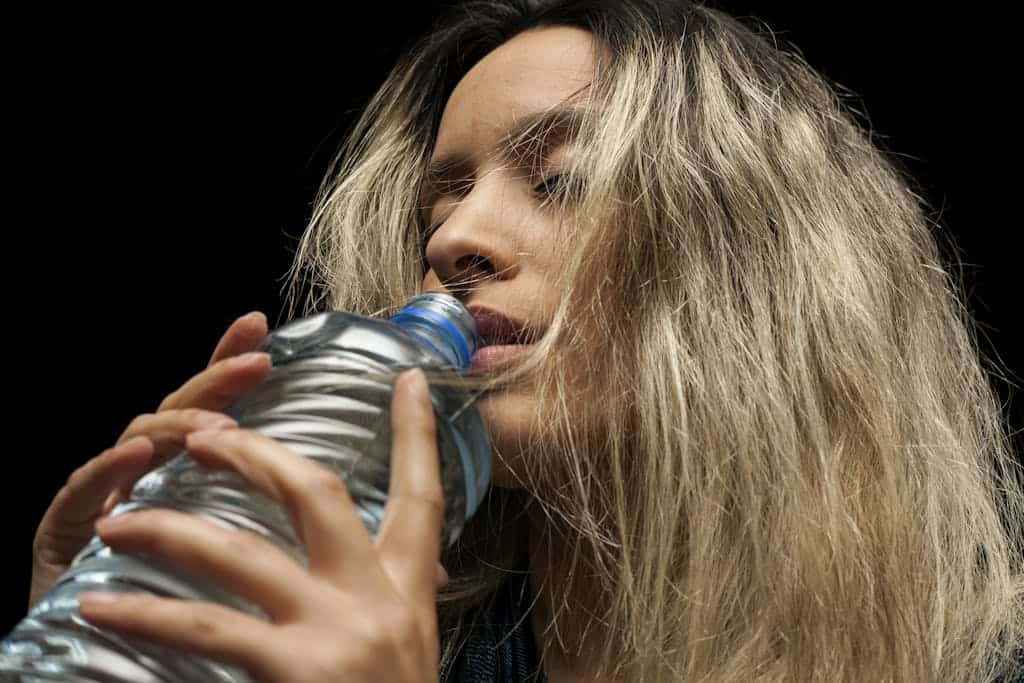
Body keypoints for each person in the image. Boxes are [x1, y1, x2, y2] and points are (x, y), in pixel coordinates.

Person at [25, 1, 1024, 681]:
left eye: (558, 181)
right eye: (442, 195)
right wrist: (98, 629)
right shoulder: (380, 631)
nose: (450, 238)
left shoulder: (972, 652)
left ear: (745, 257)